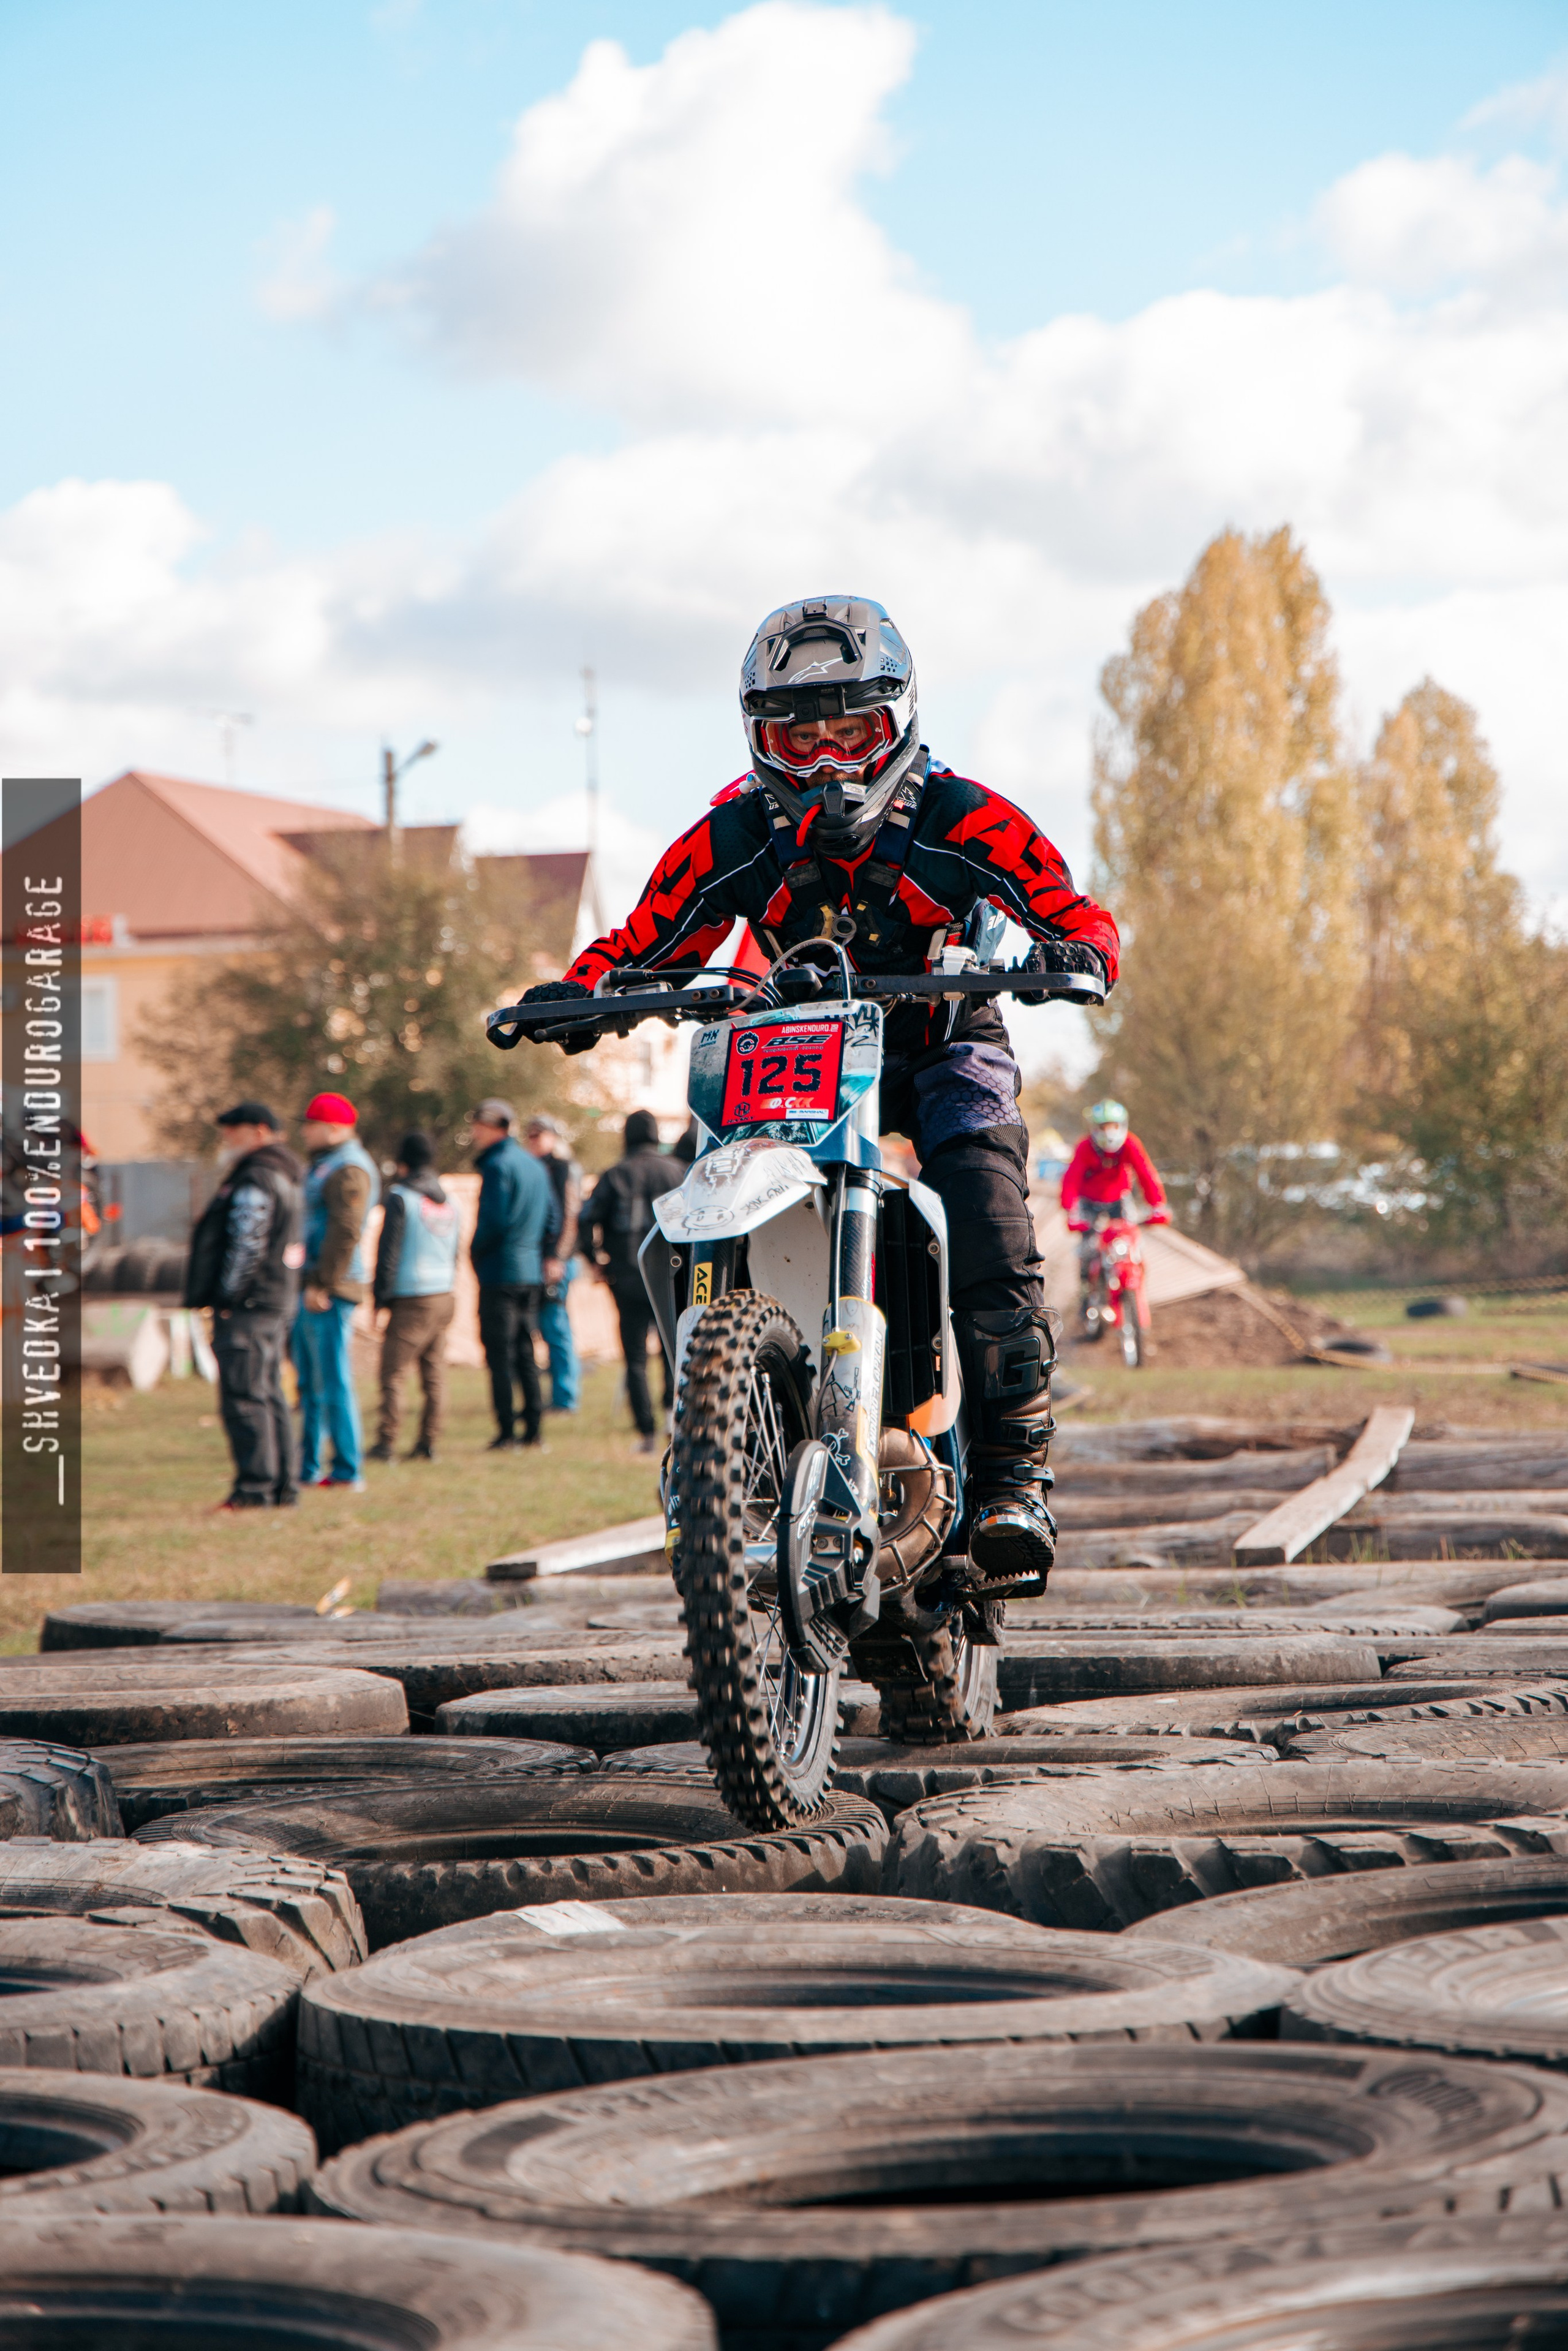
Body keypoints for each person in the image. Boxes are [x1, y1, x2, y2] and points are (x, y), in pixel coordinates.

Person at [514, 594, 1119, 1589]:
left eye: (853, 731)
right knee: (715, 1201)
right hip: (798, 1050)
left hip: (939, 1038)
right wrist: (577, 993)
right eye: (799, 736)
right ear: (760, 739)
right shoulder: (732, 833)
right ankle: (719, 1443)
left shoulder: (968, 818)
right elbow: (645, 937)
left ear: (899, 722)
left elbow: (1075, 910)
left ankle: (1017, 1479)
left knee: (988, 1208)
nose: (828, 760)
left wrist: (1074, 952)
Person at [184, 1102, 304, 1511]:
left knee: (245, 1395)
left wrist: (228, 1297)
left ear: (258, 1132)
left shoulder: (256, 1178)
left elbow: (247, 1242)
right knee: (268, 1393)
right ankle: (283, 1486)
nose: (226, 1141)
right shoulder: (286, 1173)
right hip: (275, 1298)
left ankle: (255, 1489)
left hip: (250, 1303)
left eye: (232, 1132)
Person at [582, 1109, 684, 1455]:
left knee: (635, 1358)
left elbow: (586, 1219)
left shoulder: (615, 1174)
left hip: (625, 1276)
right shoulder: (677, 1172)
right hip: (670, 1274)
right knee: (673, 1353)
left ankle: (646, 1433)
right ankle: (674, 1420)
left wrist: (594, 1260)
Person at [293, 1090, 379, 1492]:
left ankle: (347, 1469)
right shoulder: (325, 1165)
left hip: (331, 1288)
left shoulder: (349, 1168)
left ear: (332, 1127)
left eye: (310, 1125)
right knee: (311, 1383)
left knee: (334, 1380)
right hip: (314, 1282)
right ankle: (308, 1466)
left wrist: (322, 1284)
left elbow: (346, 1231)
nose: (305, 1133)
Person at [470, 1097, 560, 1451]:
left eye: (477, 1126)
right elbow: (553, 1218)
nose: (474, 1133)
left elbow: (494, 1219)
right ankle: (534, 1430)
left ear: (493, 1127)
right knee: (526, 1350)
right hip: (529, 1272)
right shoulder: (535, 1165)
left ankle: (507, 1431)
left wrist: (475, 1251)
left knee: (500, 1353)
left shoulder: (497, 1165)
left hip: (500, 1272)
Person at [369, 1130, 460, 1463]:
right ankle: (428, 1443)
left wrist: (379, 1298)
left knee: (393, 1373)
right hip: (445, 1293)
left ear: (403, 1163)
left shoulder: (401, 1197)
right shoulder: (450, 1201)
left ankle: (386, 1443)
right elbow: (454, 1252)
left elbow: (388, 1252)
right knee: (434, 1374)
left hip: (412, 1298)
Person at [1060, 1100, 1169, 1291]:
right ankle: (1087, 1296)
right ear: (1095, 1128)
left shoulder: (1130, 1144)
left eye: (1114, 1126)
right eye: (1104, 1127)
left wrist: (1157, 1206)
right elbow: (1071, 1180)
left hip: (1120, 1199)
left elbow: (1146, 1174)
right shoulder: (1085, 1147)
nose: (1109, 1132)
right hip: (1089, 1202)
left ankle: (1134, 1287)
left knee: (1134, 1246)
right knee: (1088, 1250)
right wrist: (1071, 1211)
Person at [524, 1114, 582, 1415]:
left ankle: (565, 1397)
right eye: (530, 1135)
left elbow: (571, 1217)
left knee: (556, 1327)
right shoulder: (535, 1168)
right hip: (537, 1259)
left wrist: (557, 1257)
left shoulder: (562, 1168)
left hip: (555, 1261)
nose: (534, 1139)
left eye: (539, 1134)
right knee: (543, 1328)